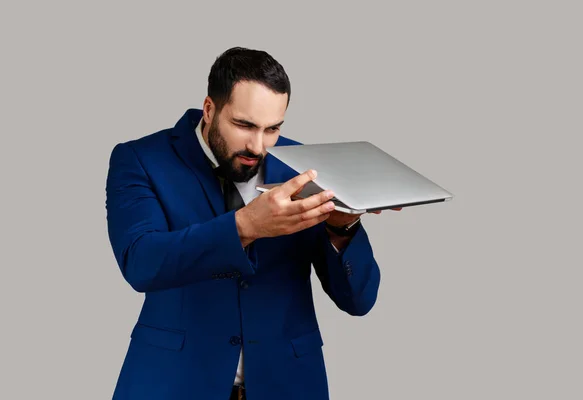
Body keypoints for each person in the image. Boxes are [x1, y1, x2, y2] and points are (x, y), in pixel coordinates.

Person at [105, 46, 401, 400]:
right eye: (244, 125)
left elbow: (359, 302)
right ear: (210, 109)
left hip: (290, 385)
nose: (259, 146)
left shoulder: (302, 165)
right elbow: (141, 262)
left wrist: (342, 227)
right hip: (172, 383)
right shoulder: (141, 159)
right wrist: (247, 226)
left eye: (273, 128)